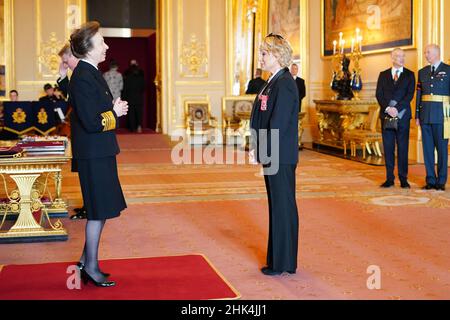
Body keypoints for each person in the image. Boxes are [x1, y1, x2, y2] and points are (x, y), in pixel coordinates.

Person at [69, 21, 128, 287]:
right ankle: (90, 267)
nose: (106, 45)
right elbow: (92, 122)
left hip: (99, 151)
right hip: (93, 154)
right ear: (88, 47)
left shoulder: (91, 72)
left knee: (101, 209)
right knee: (96, 210)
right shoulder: (82, 75)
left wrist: (111, 107)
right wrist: (113, 112)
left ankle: (85, 262)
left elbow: (96, 111)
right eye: (102, 41)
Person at [249, 33, 299, 276]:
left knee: (283, 207)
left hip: (280, 154)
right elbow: (263, 117)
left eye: (264, 53)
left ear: (277, 56)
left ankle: (283, 263)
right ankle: (280, 260)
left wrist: (263, 151)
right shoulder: (272, 81)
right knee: (277, 207)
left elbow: (278, 124)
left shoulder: (285, 83)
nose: (261, 57)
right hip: (273, 153)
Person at [376, 48, 416, 189]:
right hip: (386, 116)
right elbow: (379, 95)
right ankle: (389, 179)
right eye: (399, 56)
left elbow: (409, 96)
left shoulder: (410, 75)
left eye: (403, 56)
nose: (402, 58)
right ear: (392, 58)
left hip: (403, 116)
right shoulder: (383, 75)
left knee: (403, 148)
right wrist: (388, 109)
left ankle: (403, 178)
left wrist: (396, 109)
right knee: (388, 148)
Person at [58, 43, 86, 220]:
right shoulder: (77, 74)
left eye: (64, 59)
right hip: (80, 133)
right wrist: (62, 76)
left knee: (87, 175)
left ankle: (90, 207)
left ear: (71, 56)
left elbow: (72, 99)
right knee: (83, 173)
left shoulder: (82, 73)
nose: (64, 63)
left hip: (85, 133)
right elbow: (70, 97)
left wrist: (63, 76)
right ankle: (87, 206)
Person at [416, 44, 450, 191]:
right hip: (425, 116)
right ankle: (430, 180)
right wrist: (417, 115)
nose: (426, 55)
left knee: (442, 149)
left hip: (442, 116)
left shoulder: (448, 70)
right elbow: (418, 95)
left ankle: (441, 181)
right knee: (428, 150)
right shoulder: (422, 72)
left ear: (436, 53)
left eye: (428, 52)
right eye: (425, 52)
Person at [122, 59, 145, 133]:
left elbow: (125, 88)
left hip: (130, 98)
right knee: (139, 113)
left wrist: (124, 98)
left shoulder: (127, 77)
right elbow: (143, 88)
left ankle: (132, 128)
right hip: (138, 98)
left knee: (131, 113)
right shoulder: (141, 77)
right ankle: (139, 127)